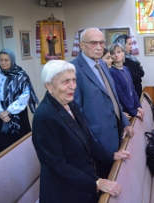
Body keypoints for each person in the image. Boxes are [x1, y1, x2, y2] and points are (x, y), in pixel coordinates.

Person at [32, 60, 130, 203]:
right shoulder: (44, 117)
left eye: (73, 80)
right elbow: (57, 165)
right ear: (49, 86)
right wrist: (96, 183)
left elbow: (88, 138)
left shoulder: (70, 103)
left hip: (84, 182)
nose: (72, 86)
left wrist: (111, 155)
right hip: (64, 192)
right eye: (65, 82)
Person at [71, 28, 134, 179]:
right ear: (82, 45)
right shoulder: (74, 69)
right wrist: (92, 142)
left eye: (101, 43)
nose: (99, 47)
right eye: (93, 43)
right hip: (97, 140)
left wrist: (125, 122)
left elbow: (113, 98)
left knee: (118, 177)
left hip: (116, 131)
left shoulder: (103, 65)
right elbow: (76, 112)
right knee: (106, 183)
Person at [0, 49, 39, 153]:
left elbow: (25, 95)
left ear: (12, 60)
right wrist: (0, 112)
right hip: (1, 113)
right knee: (3, 143)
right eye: (1, 60)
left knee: (20, 143)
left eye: (6, 60)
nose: (3, 63)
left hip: (17, 112)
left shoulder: (21, 76)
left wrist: (8, 111)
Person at [109, 43, 145, 121]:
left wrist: (138, 106)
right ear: (110, 56)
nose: (116, 55)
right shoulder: (112, 71)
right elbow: (120, 95)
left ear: (123, 53)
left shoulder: (126, 69)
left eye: (118, 52)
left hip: (132, 107)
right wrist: (133, 112)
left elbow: (132, 89)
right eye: (112, 53)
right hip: (125, 111)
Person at [113, 34, 145, 99]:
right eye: (129, 44)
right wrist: (138, 76)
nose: (131, 47)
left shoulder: (131, 58)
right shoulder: (121, 61)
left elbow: (141, 73)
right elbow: (134, 77)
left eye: (132, 44)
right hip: (128, 95)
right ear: (122, 45)